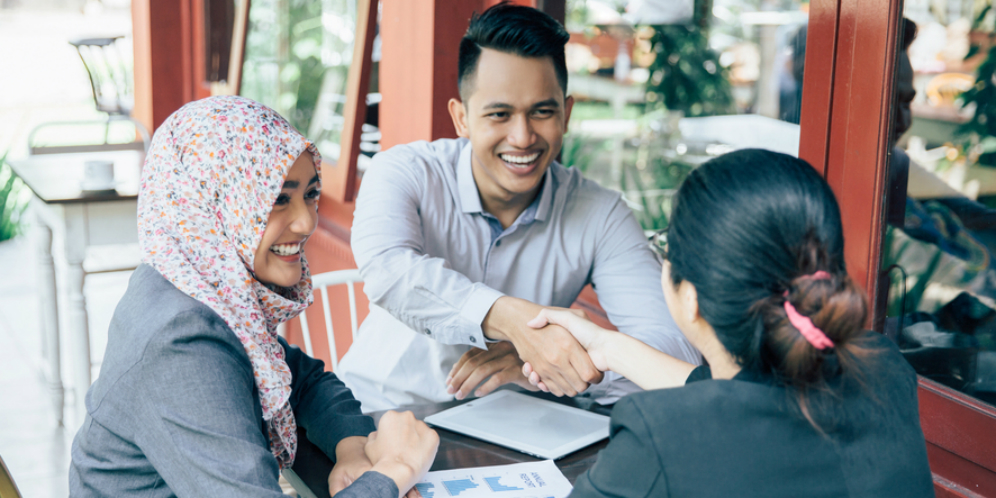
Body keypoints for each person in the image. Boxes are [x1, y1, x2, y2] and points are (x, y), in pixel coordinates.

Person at [337, 3, 700, 412]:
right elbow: (390, 272)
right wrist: (511, 320)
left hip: (518, 430)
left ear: (567, 114)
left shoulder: (600, 212)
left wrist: (553, 357)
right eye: (499, 114)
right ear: (461, 118)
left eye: (542, 112)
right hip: (379, 412)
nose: (523, 136)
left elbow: (673, 351)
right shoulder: (406, 171)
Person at [69, 96, 438, 498]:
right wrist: (396, 468)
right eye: (278, 199)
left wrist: (353, 448)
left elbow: (304, 381)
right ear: (209, 203)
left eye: (310, 193)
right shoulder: (181, 338)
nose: (306, 221)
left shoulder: (199, 286)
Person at [524, 149, 934, 497]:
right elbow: (739, 396)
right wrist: (606, 347)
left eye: (665, 244)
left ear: (691, 297)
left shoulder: (659, 440)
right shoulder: (885, 371)